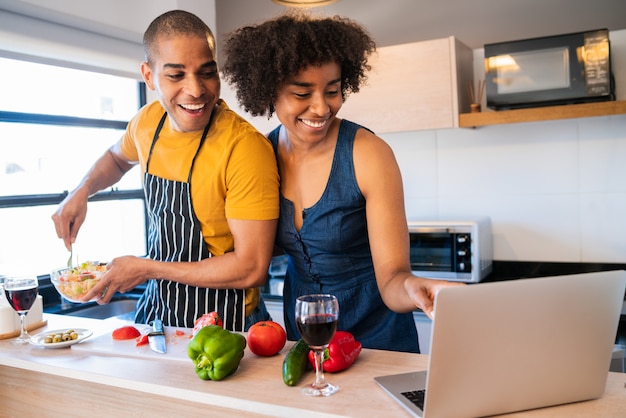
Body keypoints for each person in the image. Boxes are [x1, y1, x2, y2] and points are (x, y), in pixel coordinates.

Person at [221, 12, 464, 352]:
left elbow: (393, 278)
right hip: (306, 338)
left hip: (378, 341)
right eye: (302, 93)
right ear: (268, 91)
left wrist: (412, 287)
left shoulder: (369, 155)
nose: (321, 107)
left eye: (332, 90)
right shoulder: (260, 156)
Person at [51, 10, 280, 332]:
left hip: (227, 324)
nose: (196, 90)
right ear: (148, 75)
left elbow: (251, 268)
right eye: (176, 75)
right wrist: (81, 190)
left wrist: (146, 269)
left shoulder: (245, 148)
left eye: (207, 72)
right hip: (159, 310)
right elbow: (117, 159)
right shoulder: (147, 122)